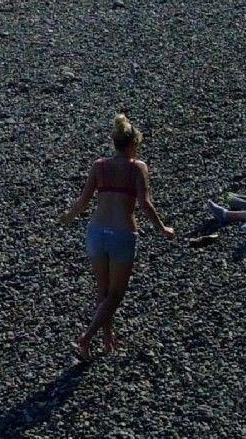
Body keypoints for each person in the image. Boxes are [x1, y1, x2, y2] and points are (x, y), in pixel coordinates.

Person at [59, 114, 175, 360]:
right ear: (133, 144)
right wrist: (162, 228)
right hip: (122, 234)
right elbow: (145, 204)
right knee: (116, 295)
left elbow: (83, 201)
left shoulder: (99, 165)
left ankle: (106, 338)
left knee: (103, 291)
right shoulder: (137, 167)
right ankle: (87, 336)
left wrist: (68, 217)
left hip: (96, 233)